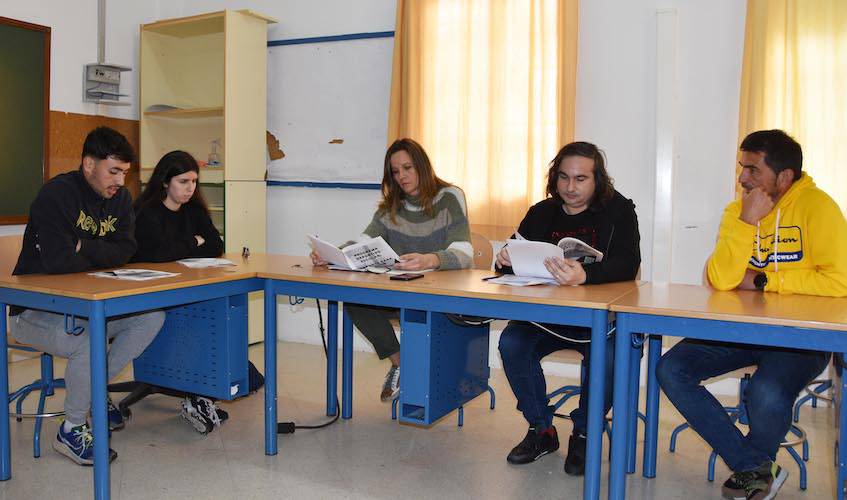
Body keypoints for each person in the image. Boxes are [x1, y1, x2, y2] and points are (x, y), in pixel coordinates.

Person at [656, 129, 847, 500]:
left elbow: (840, 279)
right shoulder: (738, 211)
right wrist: (745, 224)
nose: (742, 178)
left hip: (798, 337)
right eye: (742, 168)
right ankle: (754, 467)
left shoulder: (819, 208)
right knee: (671, 369)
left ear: (784, 176)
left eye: (752, 170)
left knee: (766, 391)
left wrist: (762, 280)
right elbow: (720, 278)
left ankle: (755, 468)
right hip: (740, 331)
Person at [9, 126, 165, 465]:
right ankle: (72, 429)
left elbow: (126, 249)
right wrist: (97, 251)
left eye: (124, 173)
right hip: (33, 312)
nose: (121, 182)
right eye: (114, 171)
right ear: (88, 164)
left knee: (151, 316)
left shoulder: (119, 198)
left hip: (86, 306)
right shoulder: (57, 196)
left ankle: (93, 391)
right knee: (87, 342)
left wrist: (83, 246)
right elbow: (58, 260)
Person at [496, 141, 640, 475]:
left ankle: (585, 433)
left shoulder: (618, 211)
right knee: (511, 343)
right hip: (546, 318)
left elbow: (628, 264)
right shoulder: (541, 212)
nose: (570, 187)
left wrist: (586, 274)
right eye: (563, 178)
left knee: (607, 357)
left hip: (598, 320)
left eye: (580, 179)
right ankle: (541, 429)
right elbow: (515, 254)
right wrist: (505, 258)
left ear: (597, 180)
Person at [310, 138, 473, 401]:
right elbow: (364, 242)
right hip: (401, 292)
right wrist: (333, 255)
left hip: (439, 295)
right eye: (395, 172)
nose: (402, 177)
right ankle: (401, 363)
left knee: (420, 316)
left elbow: (464, 250)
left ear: (422, 166)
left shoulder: (449, 197)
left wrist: (430, 259)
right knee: (353, 298)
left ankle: (419, 374)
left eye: (408, 168)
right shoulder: (391, 206)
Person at [132, 150, 231, 433]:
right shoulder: (146, 212)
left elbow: (215, 245)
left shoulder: (194, 209)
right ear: (165, 182)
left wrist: (188, 243)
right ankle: (187, 383)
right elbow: (157, 253)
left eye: (194, 182)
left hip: (185, 286)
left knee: (212, 314)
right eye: (183, 181)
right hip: (150, 291)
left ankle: (199, 385)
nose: (190, 189)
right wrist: (193, 241)